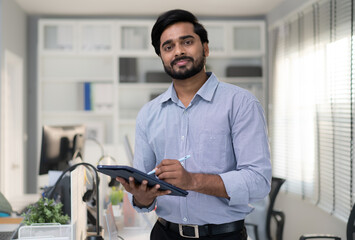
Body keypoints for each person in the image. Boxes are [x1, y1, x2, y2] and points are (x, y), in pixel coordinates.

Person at [116, 9, 272, 240]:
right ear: (161, 56)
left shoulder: (240, 103)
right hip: (164, 233)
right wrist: (142, 196)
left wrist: (193, 181)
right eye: (168, 47)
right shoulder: (148, 114)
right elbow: (143, 197)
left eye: (187, 42)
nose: (178, 51)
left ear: (205, 48)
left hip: (222, 235)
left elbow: (259, 182)